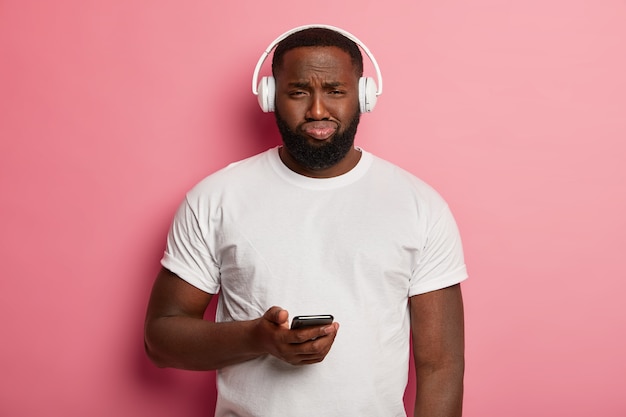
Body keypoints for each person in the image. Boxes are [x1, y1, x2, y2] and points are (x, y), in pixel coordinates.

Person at [144, 25, 467, 417]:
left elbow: (441, 367)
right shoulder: (215, 198)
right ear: (270, 97)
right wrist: (257, 338)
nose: (317, 110)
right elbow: (160, 340)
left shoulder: (419, 205)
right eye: (298, 92)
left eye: (335, 90)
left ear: (364, 96)